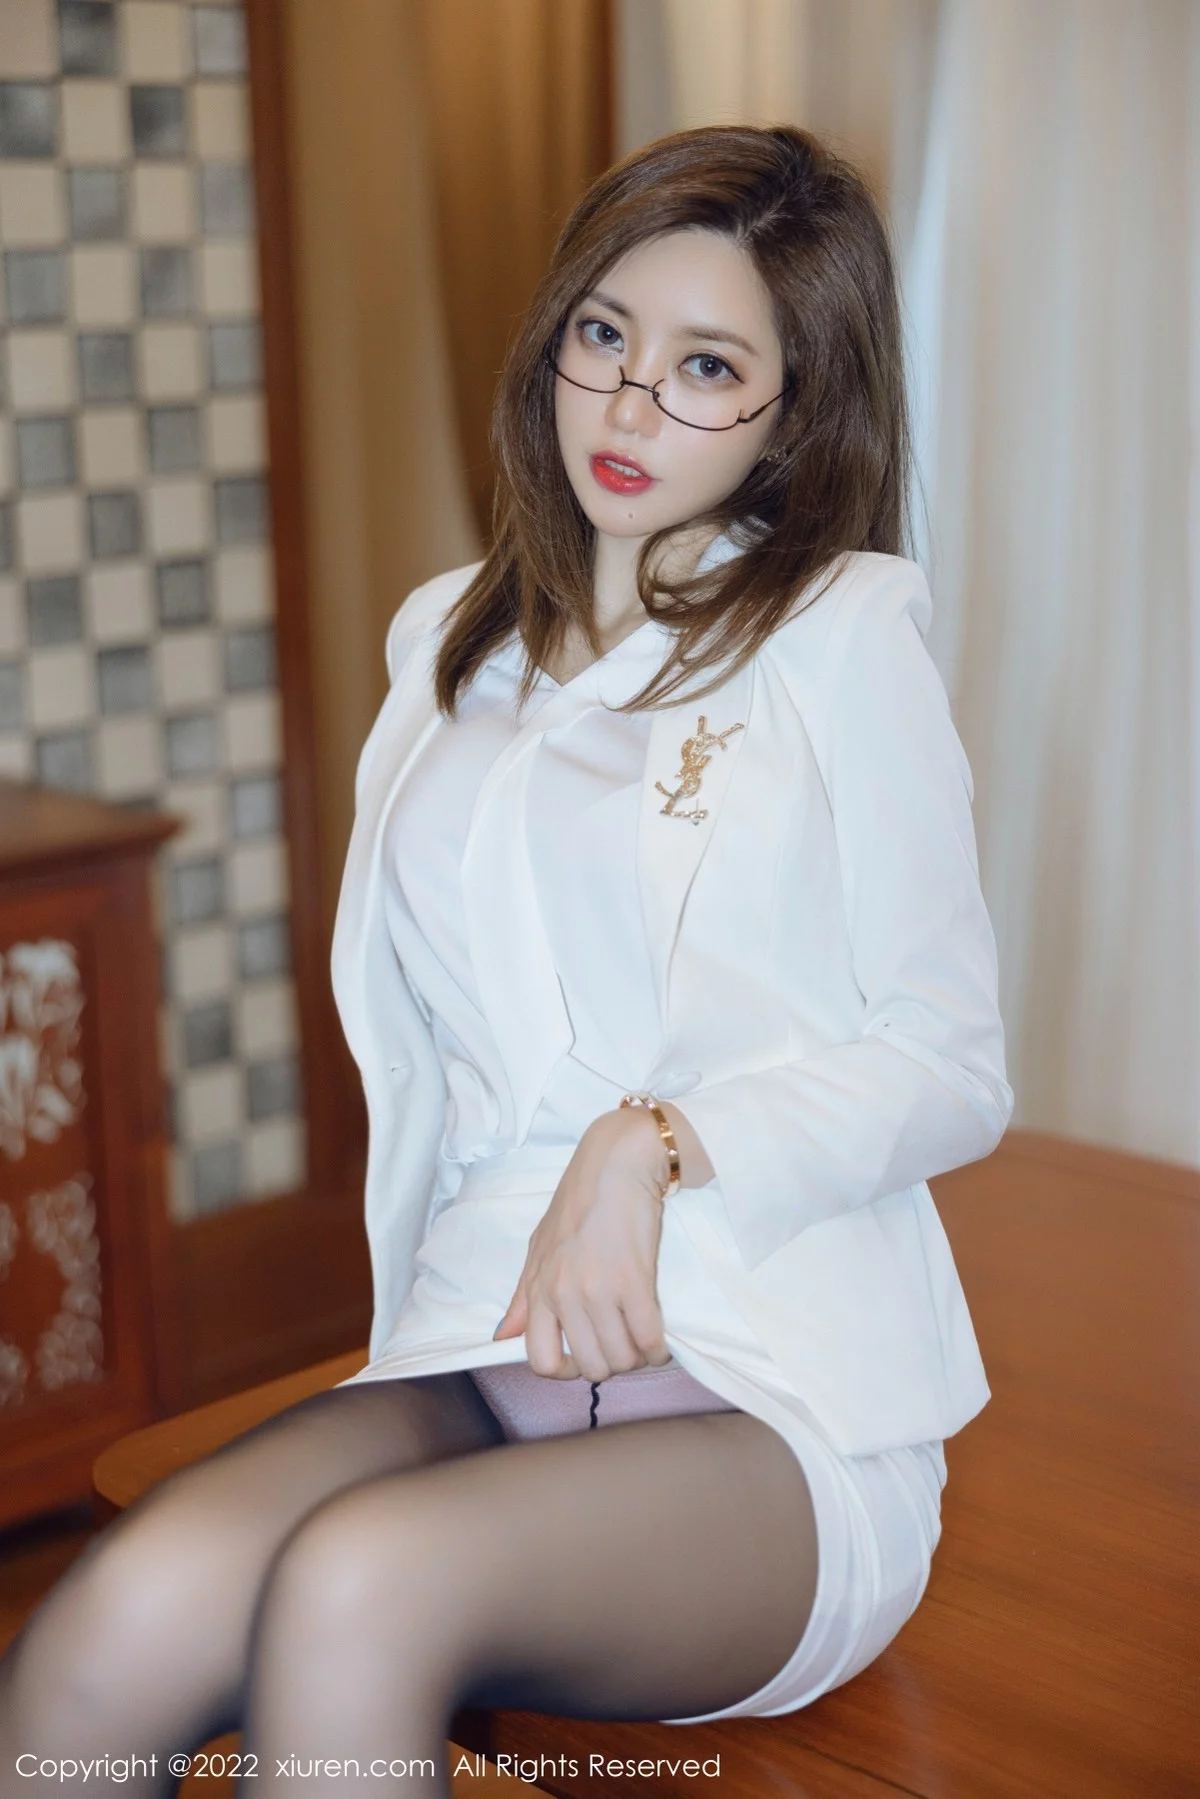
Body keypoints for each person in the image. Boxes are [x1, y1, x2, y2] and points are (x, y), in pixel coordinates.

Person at [0, 123, 1013, 1796]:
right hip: (482, 1347)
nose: (629, 402)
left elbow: (952, 1061)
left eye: (707, 366)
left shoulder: (841, 640)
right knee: (116, 1613)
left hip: (770, 1393)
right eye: (605, 334)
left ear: (795, 408)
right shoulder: (448, 637)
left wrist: (654, 1141)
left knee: (358, 1589)